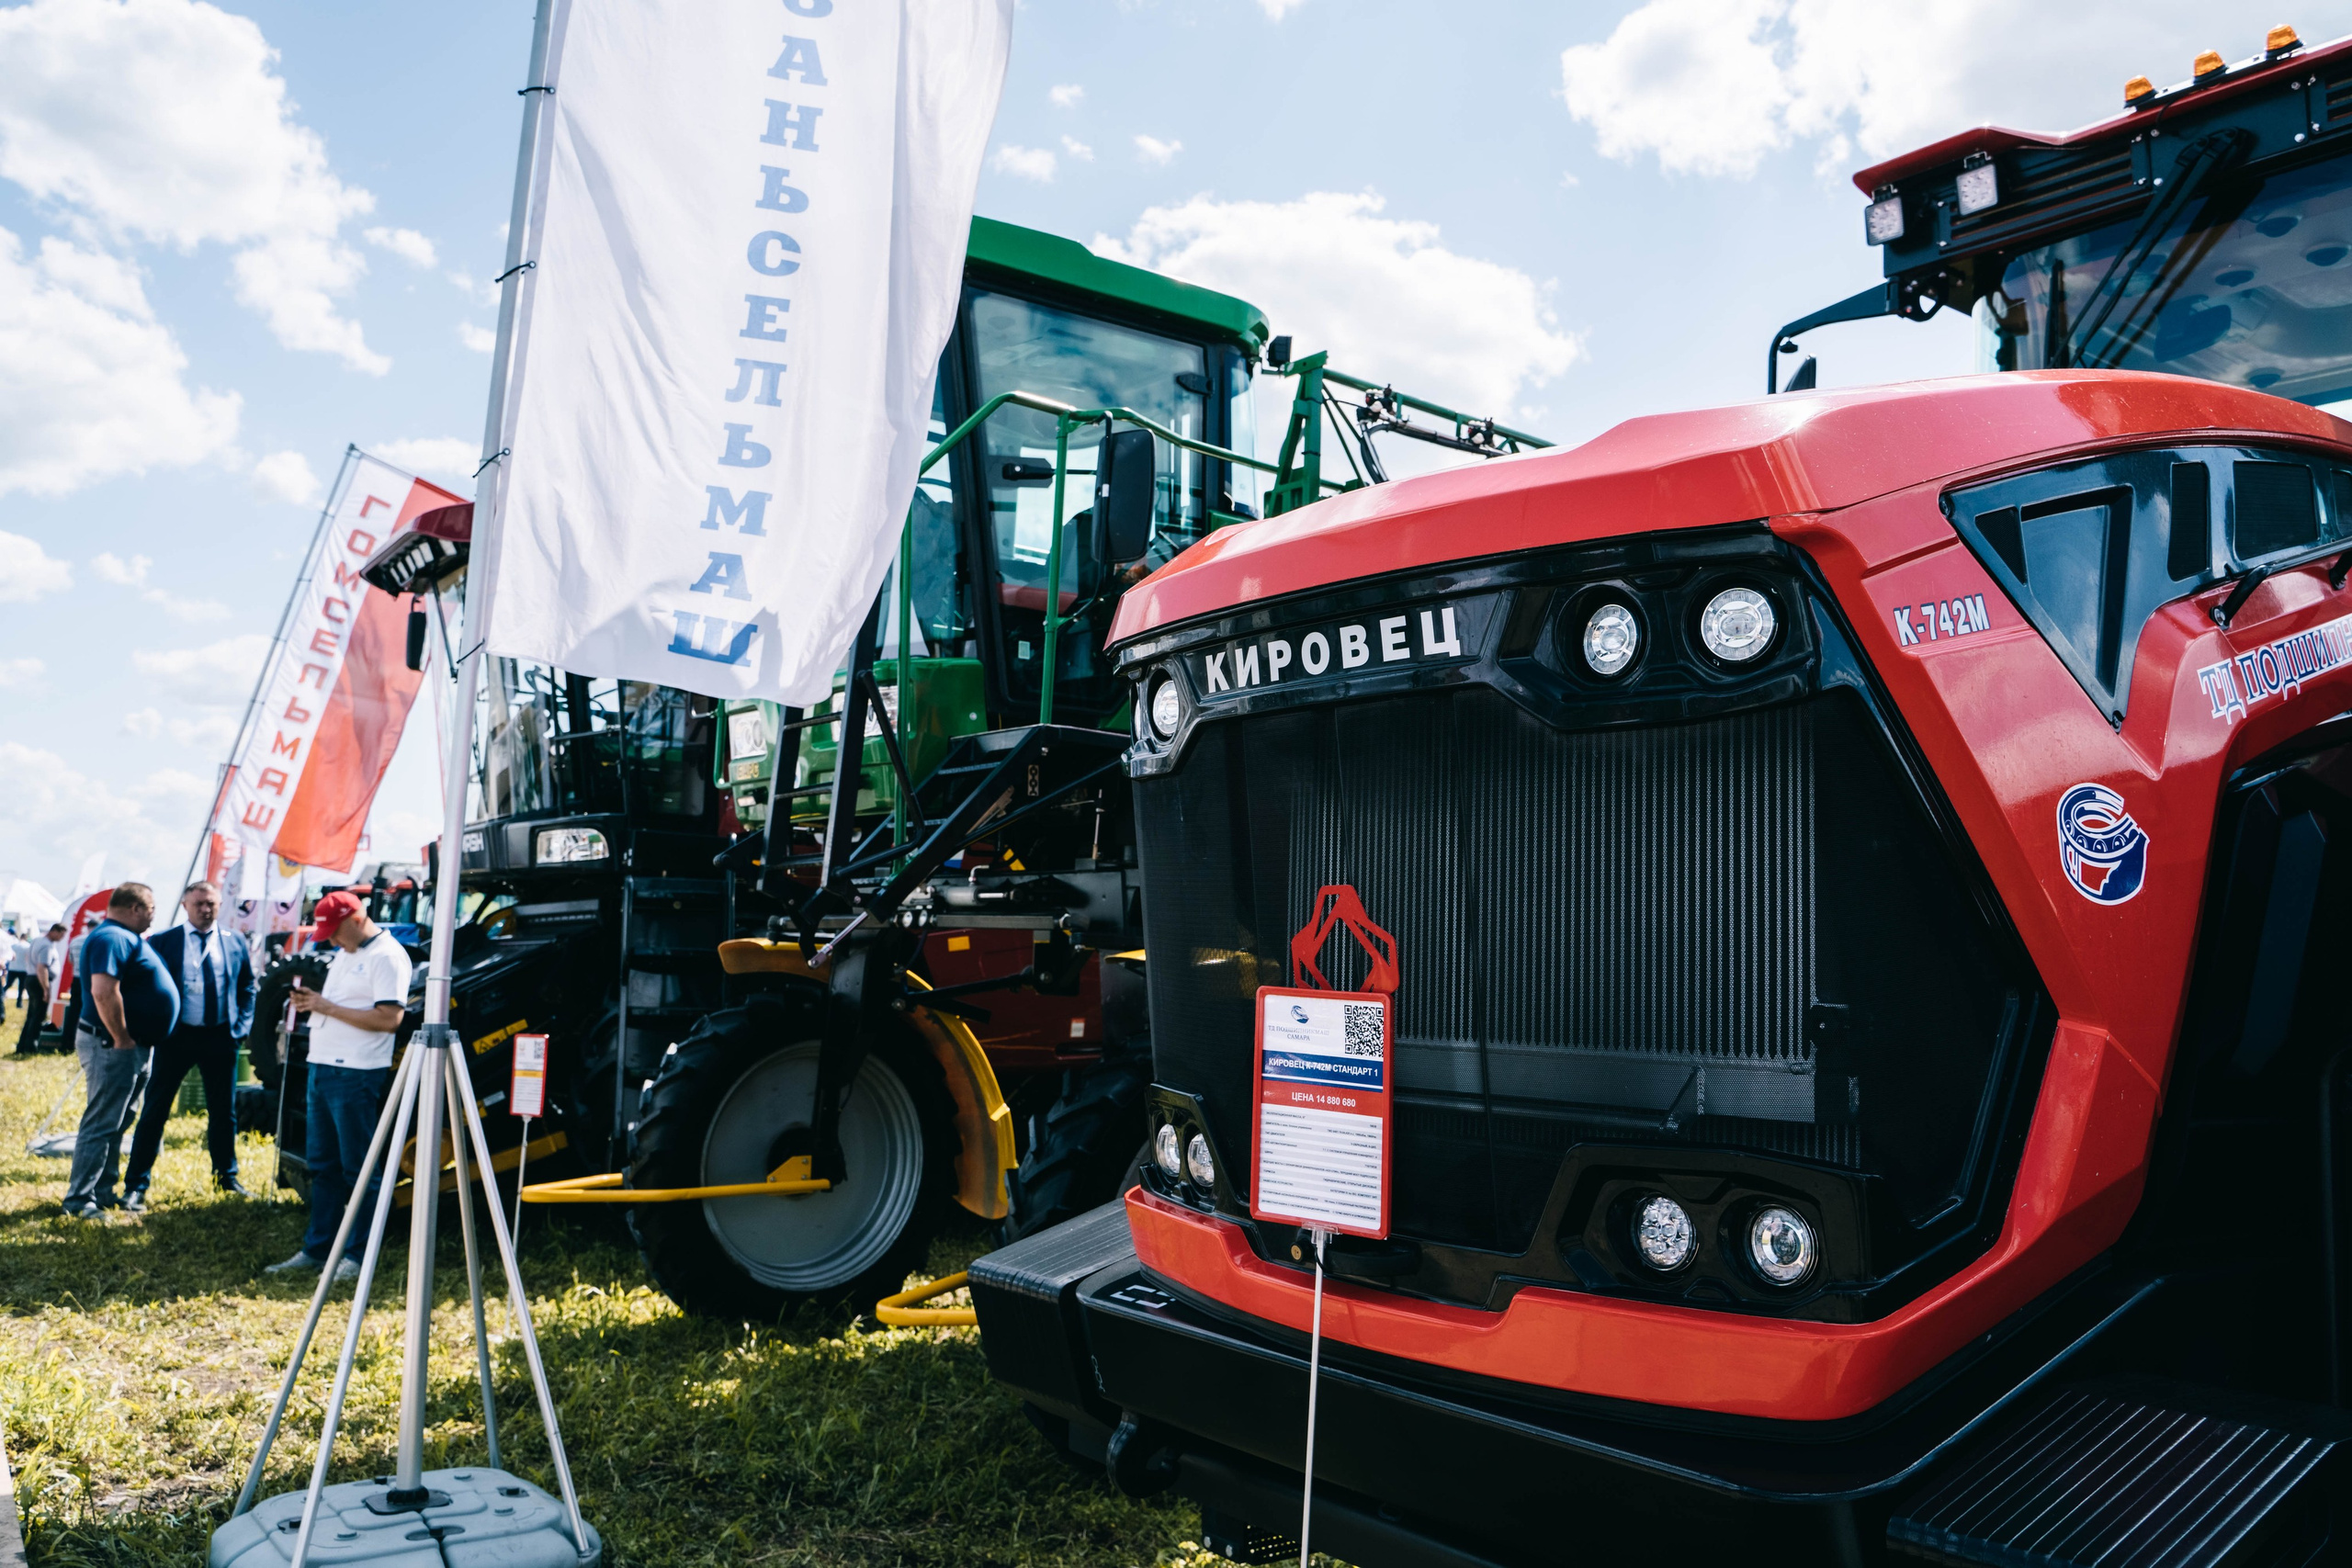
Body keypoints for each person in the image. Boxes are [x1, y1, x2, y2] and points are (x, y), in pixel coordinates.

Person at [266, 891, 412, 1283]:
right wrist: (314, 1005)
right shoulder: (349, 953)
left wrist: (324, 1007)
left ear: (355, 918)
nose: (330, 940)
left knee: (359, 1169)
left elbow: (389, 1019)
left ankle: (358, 1255)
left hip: (356, 1072)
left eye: (333, 931)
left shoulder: (388, 956)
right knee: (323, 1166)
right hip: (325, 1067)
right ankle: (318, 1250)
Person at [121, 881, 257, 1207]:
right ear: (185, 905)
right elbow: (144, 987)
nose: (205, 910)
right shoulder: (164, 942)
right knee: (155, 1110)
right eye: (199, 904)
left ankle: (227, 1177)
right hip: (176, 1037)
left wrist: (240, 1028)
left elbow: (248, 986)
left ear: (220, 904)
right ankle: (136, 1184)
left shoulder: (234, 941)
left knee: (224, 1112)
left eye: (211, 904)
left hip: (220, 1036)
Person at [62, 884, 178, 1218]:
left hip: (126, 1044)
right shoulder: (112, 937)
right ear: (136, 908)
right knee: (102, 1122)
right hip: (112, 1043)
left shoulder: (118, 937)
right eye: (152, 910)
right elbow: (102, 992)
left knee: (117, 1120)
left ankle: (101, 1190)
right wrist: (122, 1037)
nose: (153, 918)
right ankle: (79, 1200)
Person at [15, 921, 65, 1055]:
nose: (61, 939)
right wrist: (46, 989)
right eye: (61, 935)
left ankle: (23, 1045)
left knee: (32, 1014)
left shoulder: (37, 940)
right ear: (55, 931)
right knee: (38, 1016)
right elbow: (42, 967)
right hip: (39, 981)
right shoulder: (47, 946)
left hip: (31, 978)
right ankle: (31, 1046)